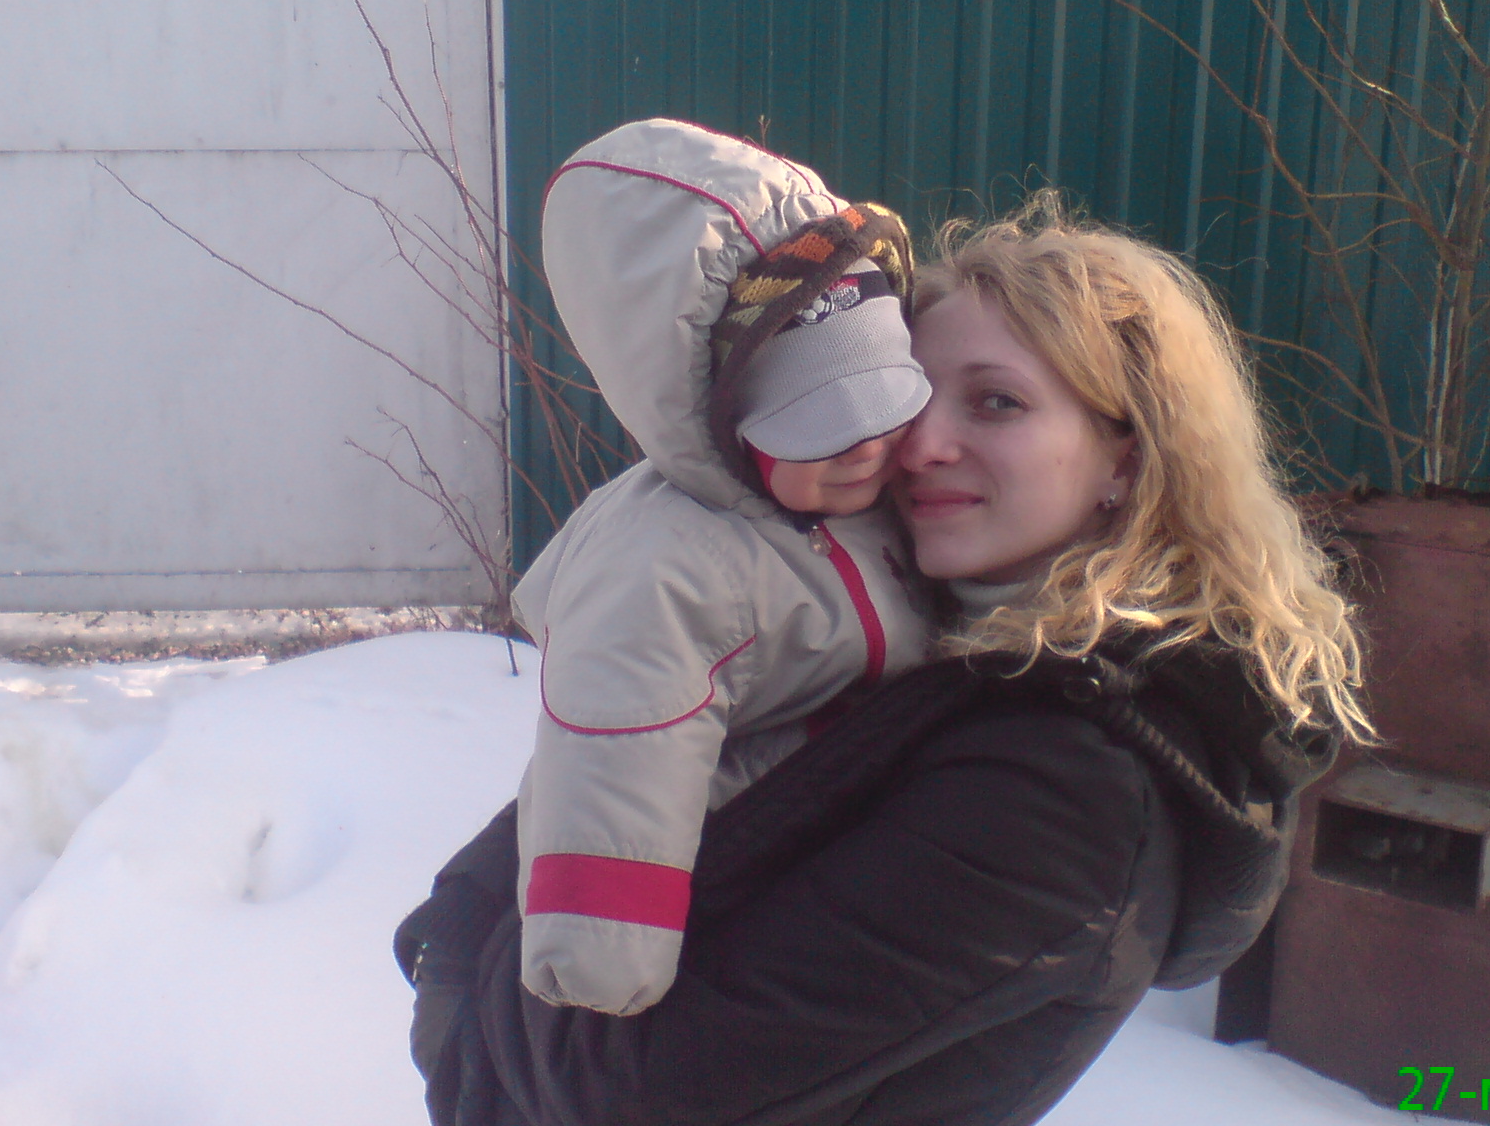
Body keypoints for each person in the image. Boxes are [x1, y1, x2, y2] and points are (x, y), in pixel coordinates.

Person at [397, 193, 1372, 1126]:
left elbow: (616, 1091)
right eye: (909, 393)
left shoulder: (1064, 787)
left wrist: (463, 960)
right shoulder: (933, 656)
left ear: (1127, 455)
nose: (918, 445)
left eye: (995, 403)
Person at [489, 118, 938, 1022]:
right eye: (814, 427)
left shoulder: (878, 501)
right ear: (714, 423)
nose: (864, 447)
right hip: (709, 871)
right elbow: (616, 745)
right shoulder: (663, 569)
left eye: (882, 400)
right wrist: (602, 960)